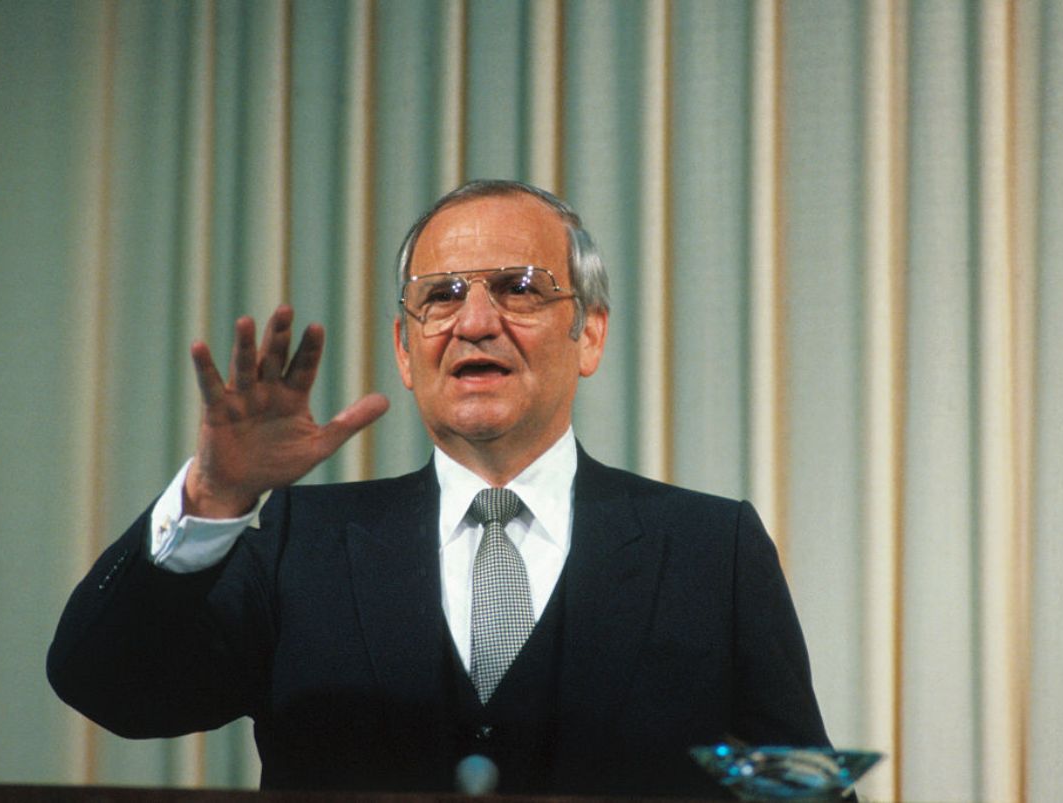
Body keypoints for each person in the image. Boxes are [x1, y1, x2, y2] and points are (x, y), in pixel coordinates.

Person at [48, 179, 831, 797]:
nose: (475, 321)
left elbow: (802, 789)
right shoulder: (300, 543)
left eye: (518, 286)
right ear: (404, 347)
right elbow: (110, 687)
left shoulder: (709, 551)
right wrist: (214, 494)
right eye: (442, 295)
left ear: (589, 333)